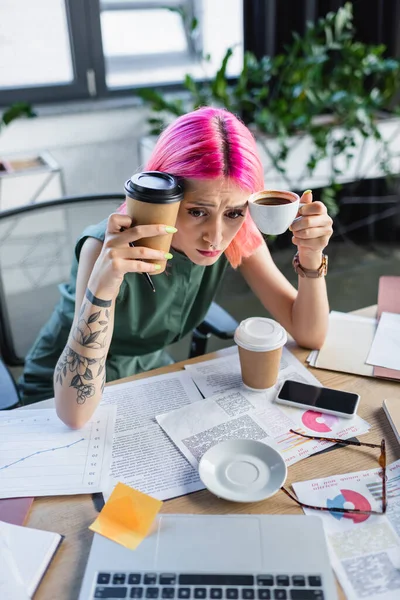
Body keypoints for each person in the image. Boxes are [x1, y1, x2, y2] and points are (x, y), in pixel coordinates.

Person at [20, 107, 333, 427]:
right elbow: (73, 414)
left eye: (234, 213)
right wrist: (102, 288)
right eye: (198, 212)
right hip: (61, 389)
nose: (216, 236)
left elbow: (310, 335)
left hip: (149, 373)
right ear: (161, 196)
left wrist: (311, 256)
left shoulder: (236, 233)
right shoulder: (101, 249)